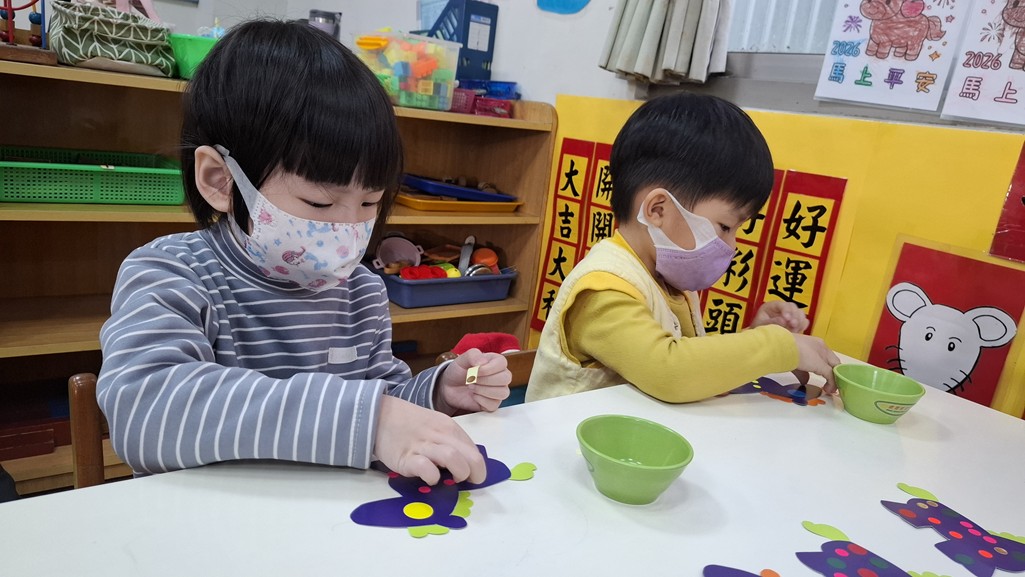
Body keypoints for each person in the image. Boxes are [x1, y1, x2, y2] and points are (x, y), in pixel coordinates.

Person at [97, 19, 510, 486]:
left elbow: (383, 400)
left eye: (370, 203)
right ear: (220, 180)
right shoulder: (171, 272)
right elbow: (144, 411)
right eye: (319, 203)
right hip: (209, 516)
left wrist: (436, 394)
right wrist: (370, 421)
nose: (350, 228)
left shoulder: (361, 290)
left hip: (328, 514)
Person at [526, 92, 841, 403]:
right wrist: (774, 347)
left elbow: (693, 365)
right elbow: (669, 370)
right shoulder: (603, 289)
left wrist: (752, 339)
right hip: (565, 437)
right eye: (725, 226)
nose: (731, 246)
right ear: (658, 210)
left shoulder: (668, 282)